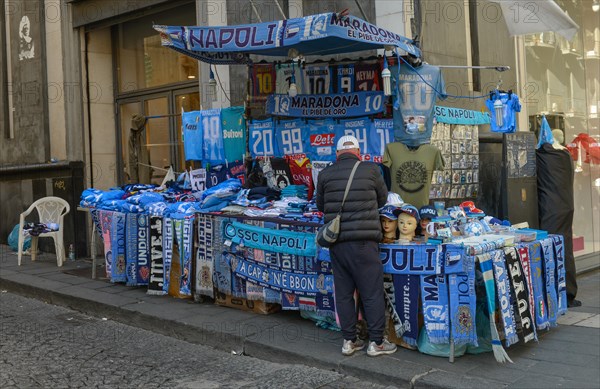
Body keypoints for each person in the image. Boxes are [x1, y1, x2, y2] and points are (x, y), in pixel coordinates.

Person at [316, 135, 396, 357]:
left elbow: (321, 205)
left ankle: (349, 341)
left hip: (337, 244)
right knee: (371, 293)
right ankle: (377, 343)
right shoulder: (371, 170)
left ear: (337, 154)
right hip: (364, 243)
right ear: (359, 153)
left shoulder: (325, 174)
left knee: (343, 293)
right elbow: (382, 200)